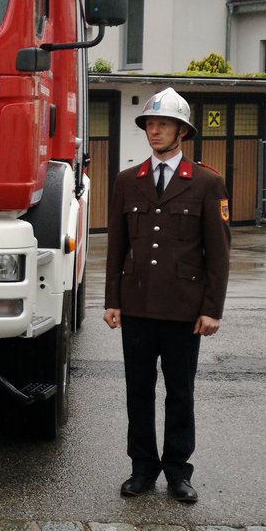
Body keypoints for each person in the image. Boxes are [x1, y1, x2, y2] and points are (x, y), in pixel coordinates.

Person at [103, 87, 230, 503]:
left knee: (180, 392)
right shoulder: (127, 180)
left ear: (182, 131)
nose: (154, 131)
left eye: (163, 124)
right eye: (149, 125)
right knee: (138, 390)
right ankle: (142, 469)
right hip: (137, 305)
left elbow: (218, 252)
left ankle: (178, 471)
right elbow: (117, 246)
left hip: (183, 309)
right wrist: (112, 300)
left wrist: (212, 309)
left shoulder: (208, 183)